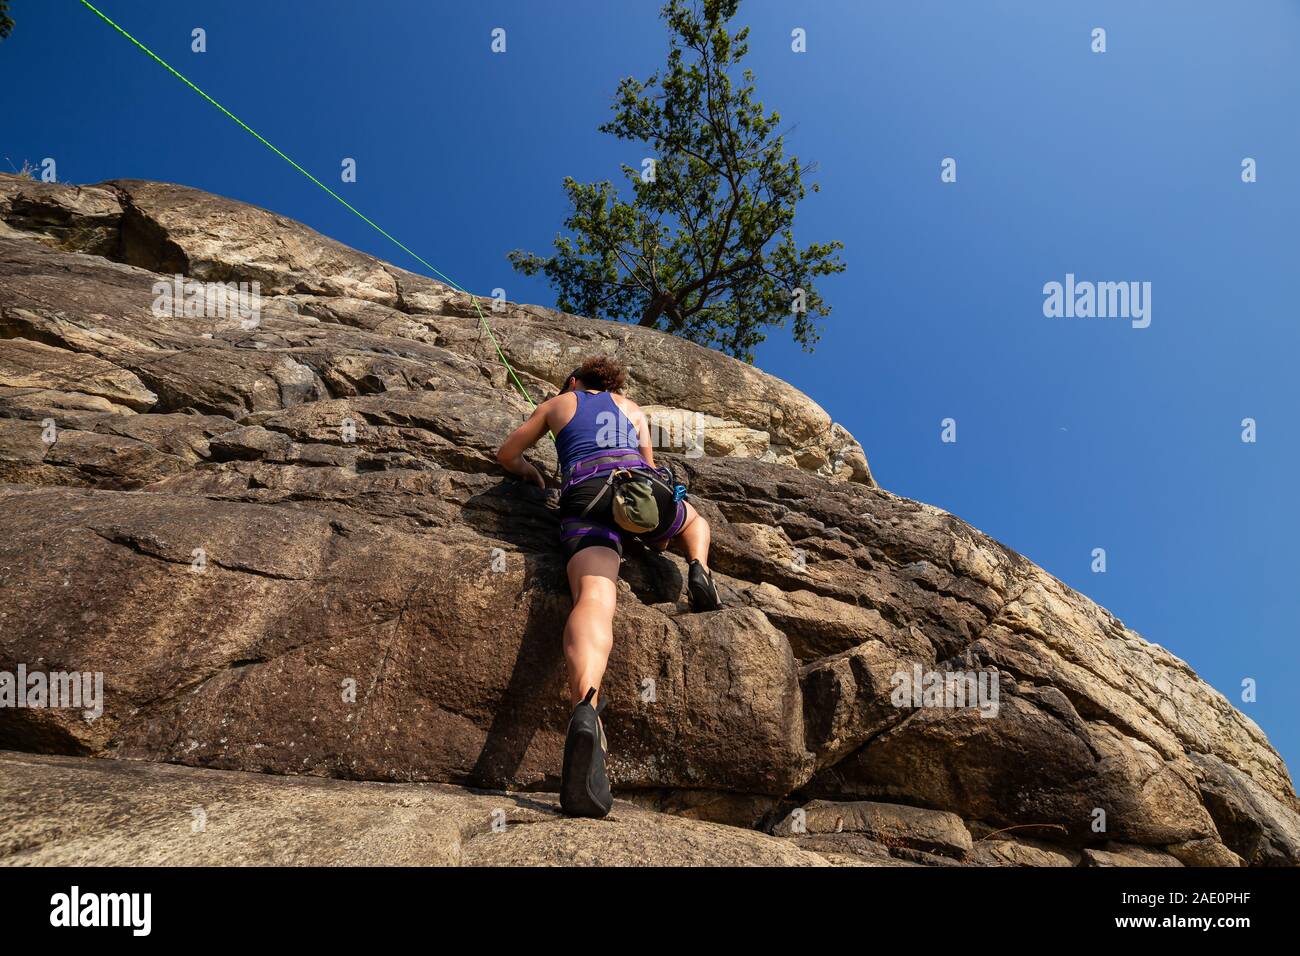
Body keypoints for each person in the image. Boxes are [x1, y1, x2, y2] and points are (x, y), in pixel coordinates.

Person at [495, 356, 721, 817]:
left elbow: (507, 453)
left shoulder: (559, 403)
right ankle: (699, 568)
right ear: (611, 385)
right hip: (637, 493)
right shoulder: (632, 407)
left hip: (584, 496)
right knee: (695, 520)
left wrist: (531, 473)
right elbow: (650, 465)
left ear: (575, 382)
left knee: (595, 598)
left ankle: (585, 707)